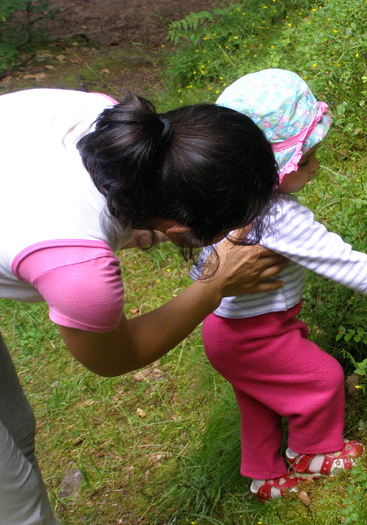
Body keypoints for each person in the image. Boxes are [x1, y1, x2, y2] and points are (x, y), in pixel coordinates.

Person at [0, 87, 288, 525]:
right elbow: (115, 356)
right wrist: (216, 285)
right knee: (12, 496)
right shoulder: (79, 271)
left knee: (14, 427)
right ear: (176, 229)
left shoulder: (120, 123)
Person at [192, 69, 367, 502]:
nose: (315, 167)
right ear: (268, 170)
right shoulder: (279, 218)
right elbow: (337, 259)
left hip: (223, 331)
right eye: (304, 160)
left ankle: (264, 476)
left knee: (259, 400)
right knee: (323, 378)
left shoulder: (227, 205)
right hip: (255, 335)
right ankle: (312, 452)